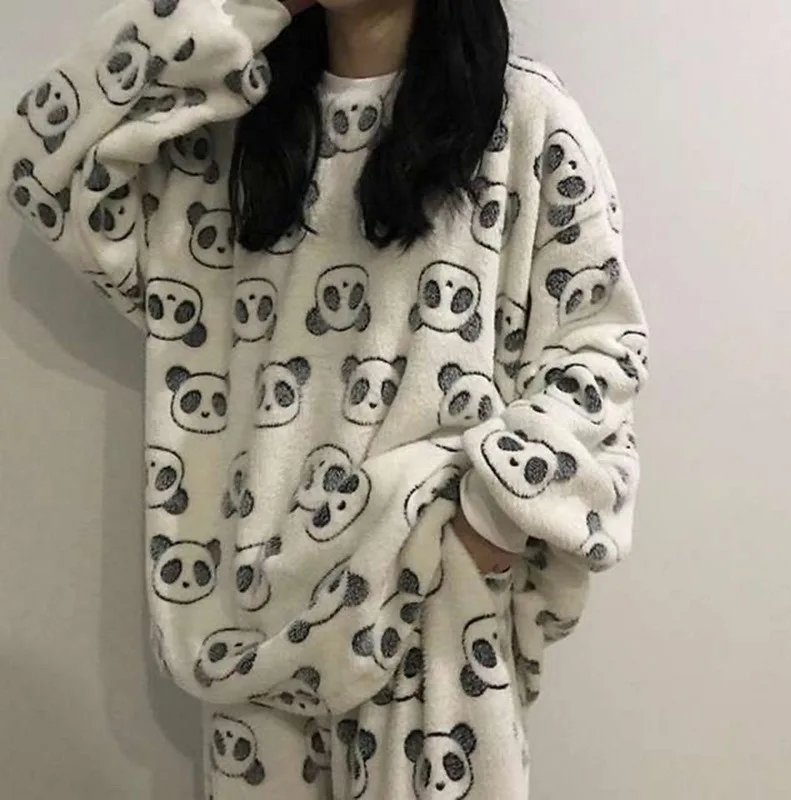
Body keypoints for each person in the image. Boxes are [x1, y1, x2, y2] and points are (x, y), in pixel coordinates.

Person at [0, 0, 650, 797]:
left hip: (431, 615)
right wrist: (244, 10)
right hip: (253, 629)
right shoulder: (224, 134)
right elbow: (41, 164)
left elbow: (599, 344)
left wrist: (492, 511)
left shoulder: (522, 119)